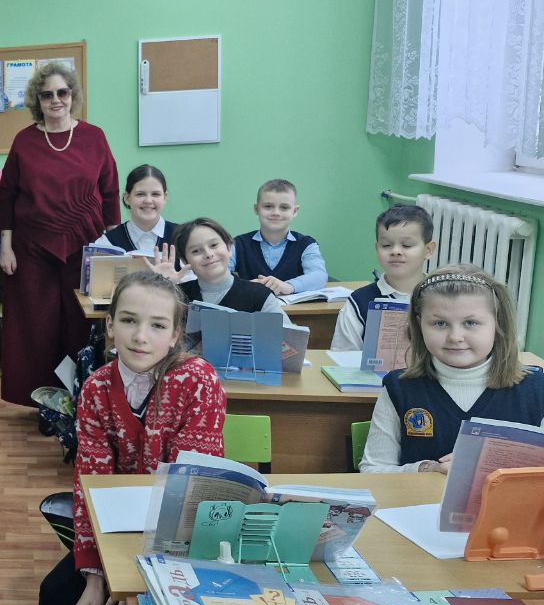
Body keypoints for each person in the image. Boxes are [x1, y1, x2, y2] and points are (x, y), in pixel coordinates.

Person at [38, 271, 226, 605]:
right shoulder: (96, 388)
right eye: (128, 320)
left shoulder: (198, 381)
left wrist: (133, 579)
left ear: (175, 335)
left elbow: (188, 494)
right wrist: (96, 575)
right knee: (57, 596)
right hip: (115, 532)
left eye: (157, 325)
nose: (141, 336)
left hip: (180, 544)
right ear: (110, 325)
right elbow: (90, 485)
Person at [0, 61, 120, 407]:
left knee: (80, 326)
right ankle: (45, 403)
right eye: (47, 94)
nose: (55, 100)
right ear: (37, 100)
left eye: (62, 92)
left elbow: (110, 192)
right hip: (32, 250)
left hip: (86, 248)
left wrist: (116, 250)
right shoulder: (25, 141)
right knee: (38, 328)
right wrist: (6, 247)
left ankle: (81, 401)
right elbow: (8, 194)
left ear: (72, 95)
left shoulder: (94, 137)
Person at [360, 266, 544, 473]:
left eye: (471, 323)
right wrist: (429, 469)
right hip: (420, 495)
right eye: (440, 323)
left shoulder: (536, 389)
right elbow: (372, 469)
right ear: (419, 325)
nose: (455, 337)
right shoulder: (399, 387)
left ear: (497, 324)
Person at [331, 205, 436, 351]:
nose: (395, 251)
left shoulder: (443, 297)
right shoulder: (359, 301)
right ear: (377, 248)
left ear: (428, 250)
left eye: (407, 245)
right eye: (386, 245)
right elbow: (342, 357)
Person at [160, 218, 285, 315]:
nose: (208, 254)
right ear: (185, 261)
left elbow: (289, 337)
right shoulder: (178, 297)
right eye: (196, 251)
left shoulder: (258, 295)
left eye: (214, 245)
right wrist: (162, 286)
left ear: (229, 248)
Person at [231, 179, 327, 296]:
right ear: (256, 209)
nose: (276, 212)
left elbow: (319, 275)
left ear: (294, 211)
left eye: (284, 207)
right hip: (252, 307)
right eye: (268, 206)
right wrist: (245, 286)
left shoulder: (307, 244)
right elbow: (218, 274)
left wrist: (289, 286)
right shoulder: (238, 244)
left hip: (295, 308)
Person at [100, 164, 177, 255]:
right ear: (127, 198)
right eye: (140, 194)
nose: (148, 201)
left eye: (155, 194)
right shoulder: (106, 243)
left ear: (165, 197)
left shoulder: (183, 237)